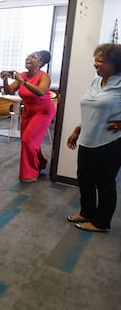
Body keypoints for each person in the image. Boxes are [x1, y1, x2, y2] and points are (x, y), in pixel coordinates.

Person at [66, 43, 121, 232]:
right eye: (95, 60)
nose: (96, 64)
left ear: (116, 64)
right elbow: (89, 108)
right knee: (85, 178)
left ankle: (101, 222)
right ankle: (87, 211)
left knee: (105, 183)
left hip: (109, 142)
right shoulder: (96, 81)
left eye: (101, 61)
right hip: (88, 139)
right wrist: (77, 129)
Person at [0, 50, 55, 182]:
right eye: (28, 56)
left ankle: (30, 173)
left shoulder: (44, 77)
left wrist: (23, 81)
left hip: (43, 111)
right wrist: (5, 80)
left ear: (40, 63)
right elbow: (10, 91)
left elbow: (41, 92)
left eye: (33, 57)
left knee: (28, 140)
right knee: (29, 140)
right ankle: (40, 163)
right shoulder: (23, 75)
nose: (28, 58)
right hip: (29, 110)